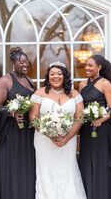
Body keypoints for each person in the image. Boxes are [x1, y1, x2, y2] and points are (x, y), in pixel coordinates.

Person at [29, 61, 87, 199]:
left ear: (64, 76)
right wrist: (50, 134)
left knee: (68, 170)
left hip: (68, 140)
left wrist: (67, 138)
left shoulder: (75, 94)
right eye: (52, 74)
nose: (56, 76)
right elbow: (33, 117)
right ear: (48, 76)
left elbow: (80, 118)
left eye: (59, 74)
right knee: (46, 171)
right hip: (45, 140)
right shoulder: (39, 93)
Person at [0, 47, 35, 199]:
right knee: (13, 167)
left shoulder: (29, 80)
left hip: (27, 132)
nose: (24, 65)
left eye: (26, 62)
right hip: (11, 133)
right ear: (13, 63)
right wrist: (11, 112)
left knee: (26, 167)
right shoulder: (5, 80)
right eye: (20, 62)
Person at [78, 55, 111, 199]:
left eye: (90, 65)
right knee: (86, 160)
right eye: (86, 65)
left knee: (100, 160)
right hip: (86, 128)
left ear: (99, 67)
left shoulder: (105, 84)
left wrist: (101, 119)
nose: (87, 68)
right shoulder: (82, 84)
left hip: (102, 128)